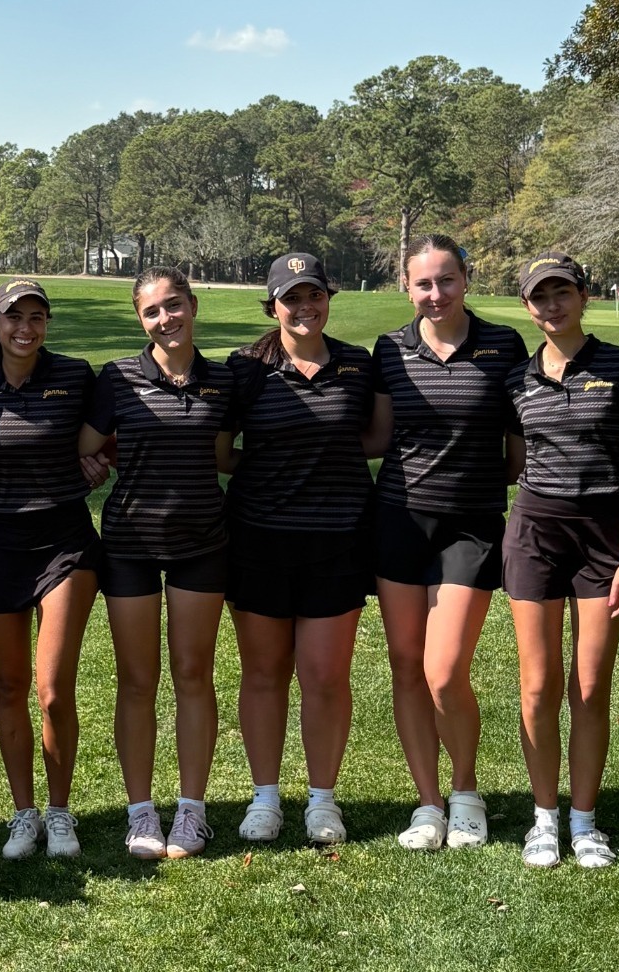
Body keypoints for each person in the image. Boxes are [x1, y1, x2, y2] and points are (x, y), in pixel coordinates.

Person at [366, 235, 528, 851]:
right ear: (406, 287)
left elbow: (517, 449)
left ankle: (466, 793)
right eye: (423, 283)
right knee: (406, 666)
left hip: (471, 525)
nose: (436, 294)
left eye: (447, 280)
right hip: (399, 520)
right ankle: (428, 803)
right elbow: (380, 438)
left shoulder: (503, 345)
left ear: (466, 278)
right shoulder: (390, 349)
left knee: (444, 669)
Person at [504, 252, 619, 869]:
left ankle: (585, 821)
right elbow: (515, 463)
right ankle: (544, 818)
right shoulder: (516, 380)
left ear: (583, 296)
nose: (552, 305)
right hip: (535, 535)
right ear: (527, 307)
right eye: (540, 296)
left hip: (604, 539)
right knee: (537, 686)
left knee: (591, 687)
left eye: (562, 292)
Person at [77, 266, 235, 860]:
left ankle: (192, 811)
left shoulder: (223, 381)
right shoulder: (117, 377)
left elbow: (222, 455)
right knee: (138, 680)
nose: (165, 318)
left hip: (203, 543)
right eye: (152, 311)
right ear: (140, 319)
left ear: (193, 305)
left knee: (194, 675)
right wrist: (101, 460)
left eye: (173, 305)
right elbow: (84, 449)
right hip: (130, 546)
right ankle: (141, 812)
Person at [225, 254, 375, 846]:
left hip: (338, 542)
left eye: (314, 294)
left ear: (328, 299)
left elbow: (377, 437)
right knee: (264, 675)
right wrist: (274, 464)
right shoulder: (245, 369)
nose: (304, 307)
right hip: (258, 539)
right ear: (273, 306)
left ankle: (321, 801)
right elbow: (220, 451)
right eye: (292, 298)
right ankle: (265, 798)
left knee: (325, 677)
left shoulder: (358, 365)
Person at [0, 277, 101, 859]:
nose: (25, 328)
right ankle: (23, 814)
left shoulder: (74, 375)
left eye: (36, 317)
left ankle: (59, 811)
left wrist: (96, 461)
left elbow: (113, 435)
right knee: (9, 685)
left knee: (51, 690)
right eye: (13, 317)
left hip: (65, 545)